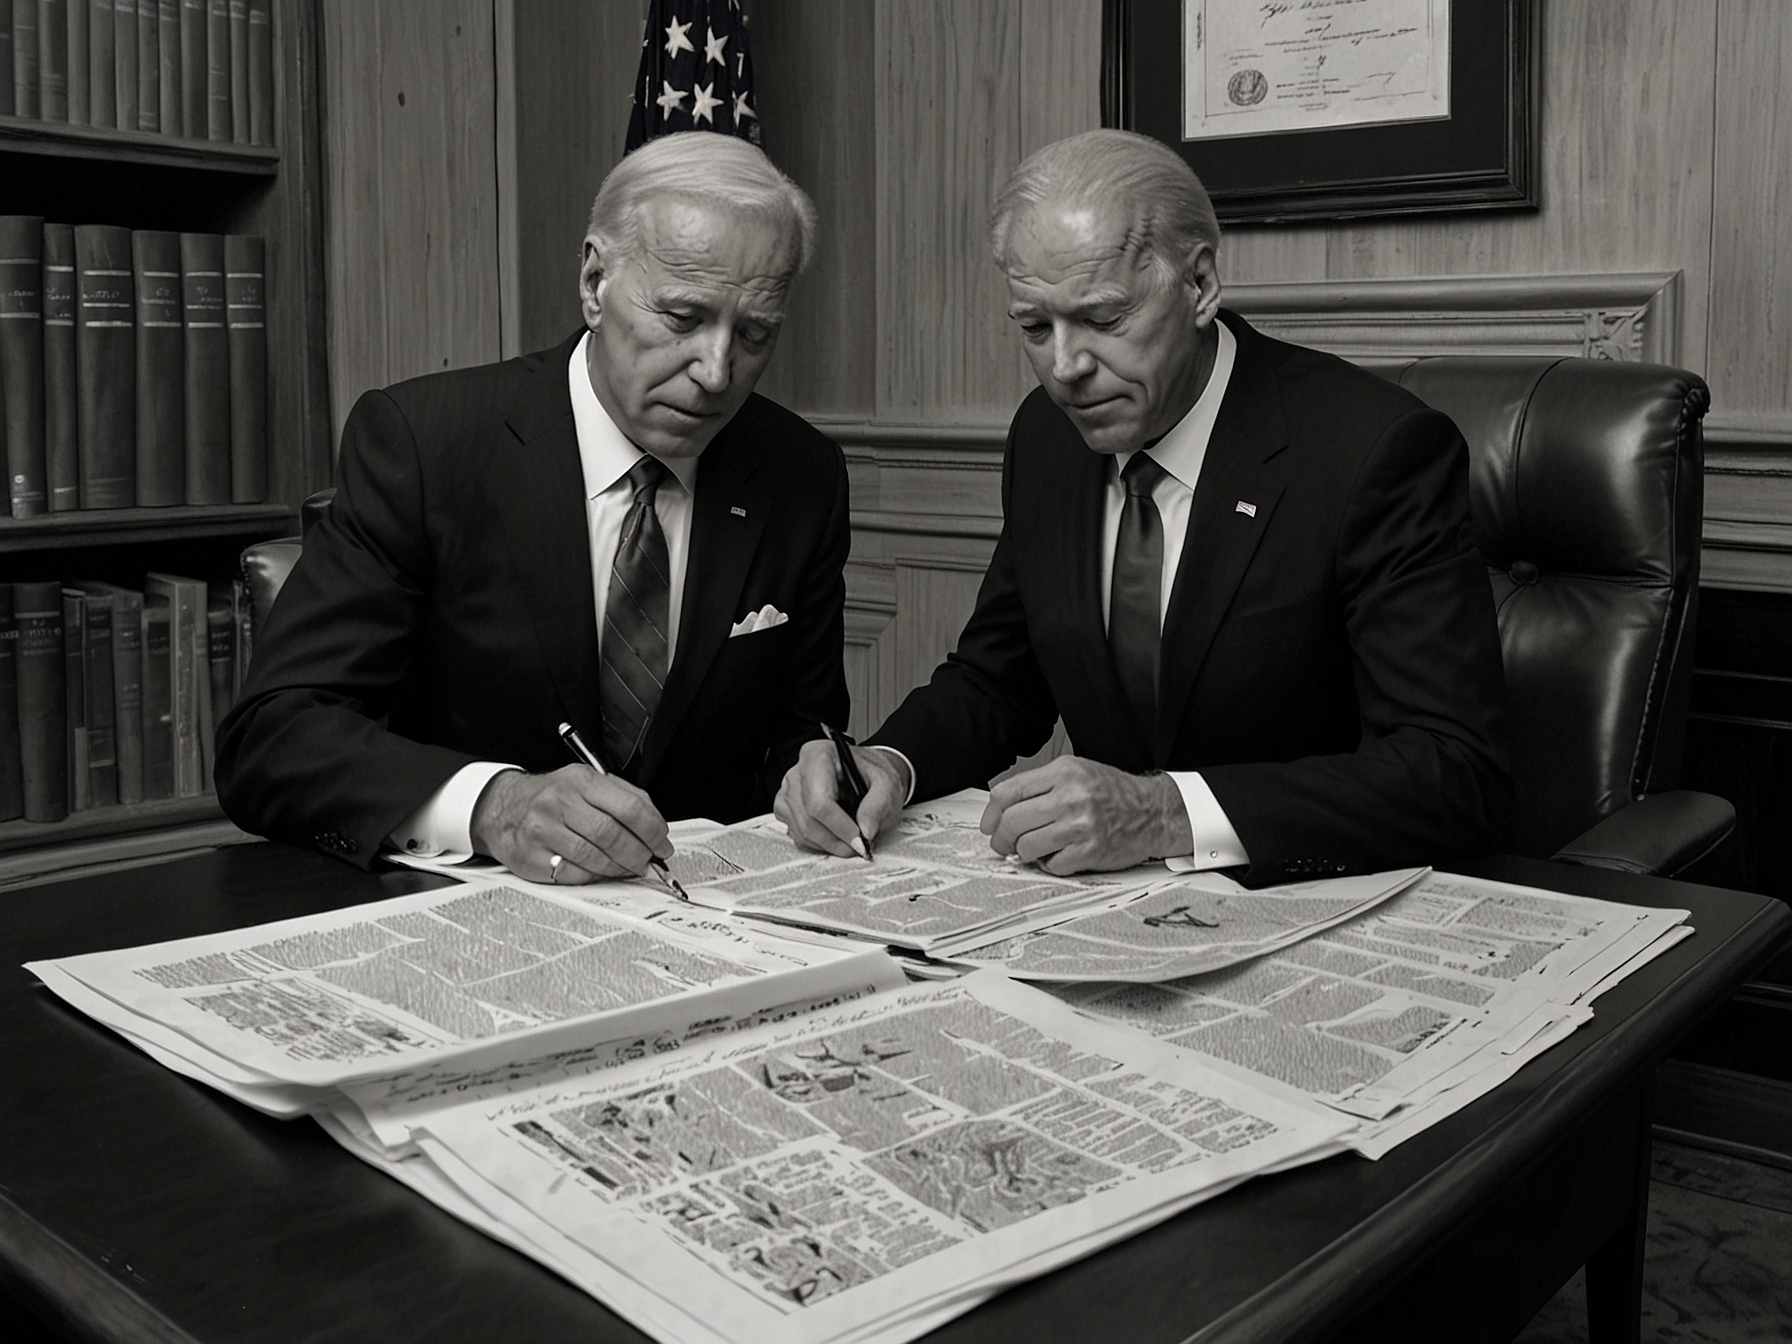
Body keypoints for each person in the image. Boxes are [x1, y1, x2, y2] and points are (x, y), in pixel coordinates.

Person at [776, 129, 1511, 887]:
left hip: (1315, 896)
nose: (1065, 369)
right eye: (1035, 328)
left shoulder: (1370, 451)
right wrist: (888, 763)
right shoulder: (1047, 438)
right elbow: (1000, 681)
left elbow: (1453, 771)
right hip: (1107, 908)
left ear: (1199, 287)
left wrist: (1167, 812)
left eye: (1102, 319)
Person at [217, 133, 850, 886]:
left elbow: (800, 733)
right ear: (593, 282)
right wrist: (496, 805)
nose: (717, 372)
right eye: (683, 318)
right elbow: (272, 740)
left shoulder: (799, 473)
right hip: (463, 924)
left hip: (717, 923)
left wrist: (820, 769)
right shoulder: (426, 446)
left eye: (754, 334)